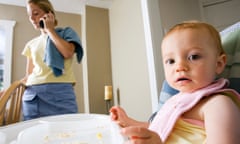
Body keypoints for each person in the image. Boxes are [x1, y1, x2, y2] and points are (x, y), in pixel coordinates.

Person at [110, 21, 240, 144]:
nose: (179, 67)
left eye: (193, 57)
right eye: (171, 61)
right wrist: (129, 123)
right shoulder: (174, 102)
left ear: (219, 64)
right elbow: (159, 128)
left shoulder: (218, 105)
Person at [21, 0, 83, 120]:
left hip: (60, 93)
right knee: (35, 135)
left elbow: (68, 52)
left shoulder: (66, 33)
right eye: (30, 16)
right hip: (33, 96)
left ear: (49, 14)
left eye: (36, 13)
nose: (32, 19)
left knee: (68, 130)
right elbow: (28, 75)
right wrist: (9, 90)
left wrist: (50, 30)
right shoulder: (31, 44)